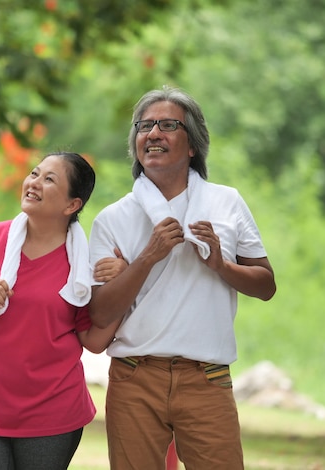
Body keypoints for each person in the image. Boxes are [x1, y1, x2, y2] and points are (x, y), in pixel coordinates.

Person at [88, 86, 277, 469]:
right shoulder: (112, 218)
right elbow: (99, 313)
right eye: (144, 126)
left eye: (168, 124)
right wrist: (149, 257)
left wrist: (221, 266)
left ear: (193, 145)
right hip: (134, 377)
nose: (153, 133)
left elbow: (266, 284)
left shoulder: (226, 202)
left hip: (206, 378)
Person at [0, 152, 121, 470]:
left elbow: (92, 340)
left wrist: (120, 287)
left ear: (71, 205)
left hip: (53, 415)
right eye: (34, 173)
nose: (33, 182)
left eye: (49, 179)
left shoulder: (81, 264)